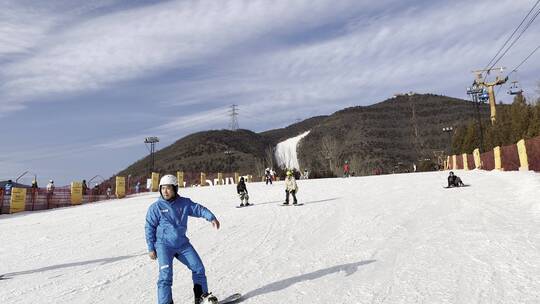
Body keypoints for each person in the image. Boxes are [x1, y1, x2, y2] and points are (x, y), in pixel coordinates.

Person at [145, 174, 220, 304]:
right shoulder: (155, 207)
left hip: (182, 244)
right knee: (165, 276)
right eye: (163, 188)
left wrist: (211, 217)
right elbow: (149, 227)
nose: (165, 191)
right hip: (164, 246)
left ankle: (201, 297)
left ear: (175, 189)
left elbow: (198, 209)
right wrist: (151, 248)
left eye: (168, 188)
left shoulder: (184, 203)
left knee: (198, 268)